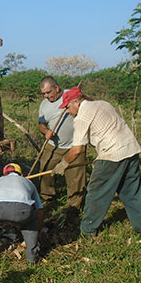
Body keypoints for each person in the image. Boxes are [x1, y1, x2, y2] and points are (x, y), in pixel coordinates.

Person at [54, 87, 141, 237]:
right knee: (131, 192)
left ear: (76, 102)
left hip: (112, 154)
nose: (68, 111)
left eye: (67, 107)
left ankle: (87, 231)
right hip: (130, 149)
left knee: (96, 193)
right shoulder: (103, 103)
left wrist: (63, 164)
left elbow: (76, 150)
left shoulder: (81, 117)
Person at [38, 76, 86, 213]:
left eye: (48, 92)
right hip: (54, 146)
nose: (46, 96)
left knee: (76, 177)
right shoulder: (44, 105)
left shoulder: (72, 95)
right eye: (44, 94)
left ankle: (74, 206)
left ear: (57, 88)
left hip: (75, 145)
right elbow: (41, 125)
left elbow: (89, 106)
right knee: (45, 171)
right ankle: (47, 197)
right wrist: (46, 131)